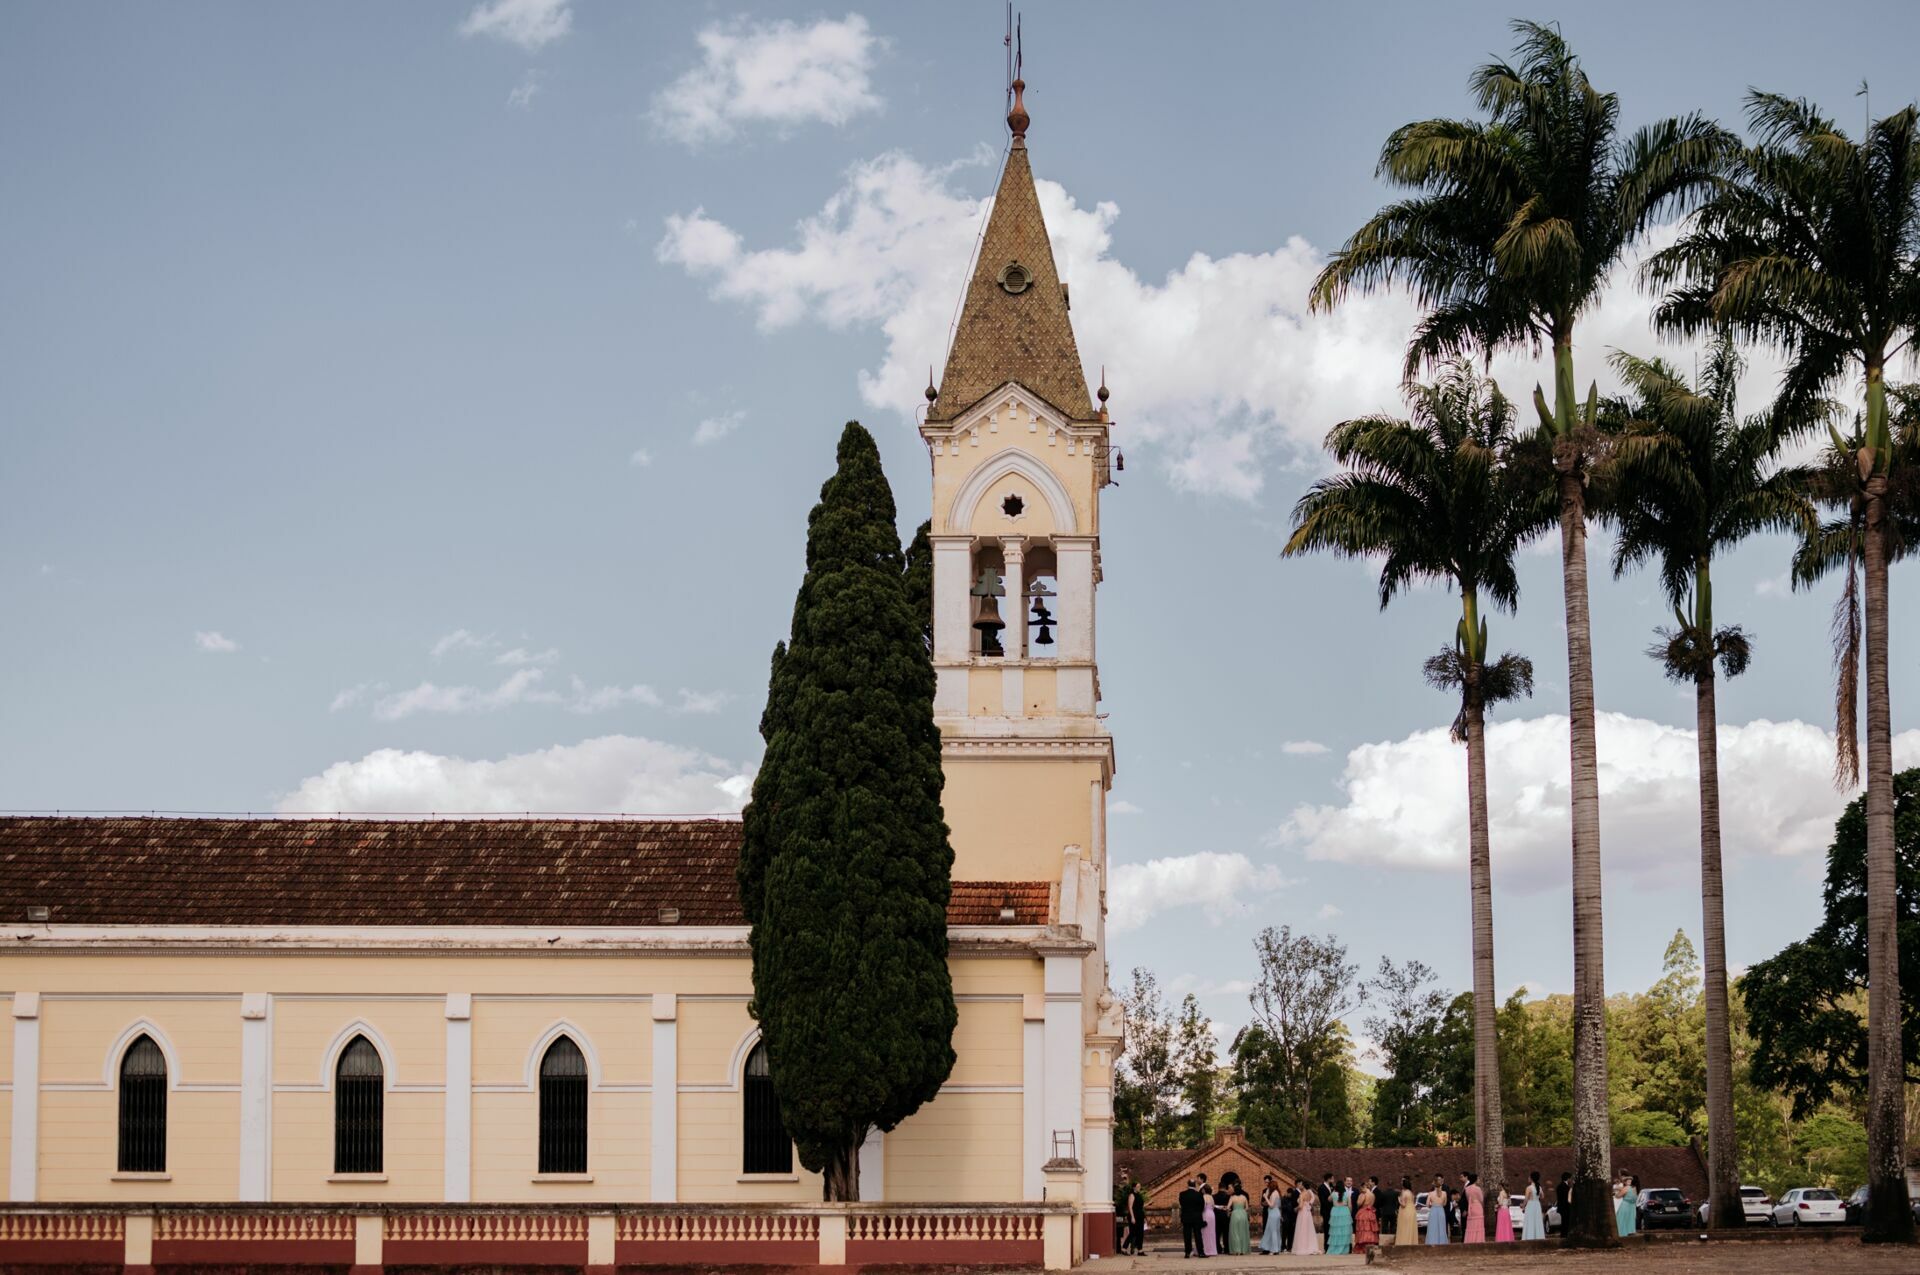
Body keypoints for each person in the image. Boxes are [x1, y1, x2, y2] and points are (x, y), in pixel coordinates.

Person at [1179, 1177, 1206, 1259]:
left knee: (1187, 1235)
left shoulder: (1182, 1194)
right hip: (1197, 1217)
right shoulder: (1199, 1195)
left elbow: (1182, 1204)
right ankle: (1201, 1252)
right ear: (1195, 1185)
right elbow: (1202, 1206)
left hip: (1186, 1217)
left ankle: (1187, 1252)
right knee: (1198, 1235)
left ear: (1188, 1185)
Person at [1326, 1177, 1353, 1255]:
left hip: (1335, 1211)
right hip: (1345, 1211)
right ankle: (1344, 1249)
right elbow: (1350, 1205)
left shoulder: (1334, 1194)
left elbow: (1328, 1199)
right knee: (1345, 1231)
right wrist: (1349, 1213)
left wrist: (1333, 1190)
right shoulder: (1347, 1194)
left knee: (1335, 1231)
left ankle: (1334, 1249)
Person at [1294, 1181, 1321, 1255]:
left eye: (1300, 1185)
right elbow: (1312, 1200)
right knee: (1308, 1229)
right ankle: (1310, 1246)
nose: (1299, 1186)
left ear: (1303, 1186)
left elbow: (1300, 1206)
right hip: (1308, 1212)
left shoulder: (1302, 1194)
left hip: (1302, 1212)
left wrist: (1295, 1209)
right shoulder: (1309, 1193)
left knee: (1302, 1229)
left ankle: (1302, 1247)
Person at [1259, 1176, 1285, 1254]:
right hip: (1275, 1212)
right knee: (1275, 1231)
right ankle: (1274, 1248)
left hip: (1273, 1213)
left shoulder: (1274, 1193)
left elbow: (1271, 1205)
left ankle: (1274, 1249)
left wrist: (1265, 1197)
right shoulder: (1277, 1193)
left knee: (1273, 1231)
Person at [1355, 1178, 1379, 1253]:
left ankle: (1363, 1247)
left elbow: (1359, 1203)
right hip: (1371, 1213)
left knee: (1363, 1229)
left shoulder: (1363, 1194)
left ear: (1363, 1187)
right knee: (1370, 1230)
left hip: (1363, 1212)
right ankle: (1370, 1245)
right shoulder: (1372, 1194)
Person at [1228, 1181, 1252, 1256]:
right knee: (1243, 1232)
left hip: (1235, 1214)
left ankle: (1236, 1250)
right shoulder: (1244, 1197)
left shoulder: (1232, 1197)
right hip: (1243, 1214)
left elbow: (1228, 1207)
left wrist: (1230, 1211)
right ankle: (1242, 1250)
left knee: (1235, 1233)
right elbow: (1247, 1208)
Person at [1522, 1171, 1547, 1241]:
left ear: (1532, 1178)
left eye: (1529, 1177)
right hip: (1537, 1205)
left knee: (1530, 1221)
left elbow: (1526, 1198)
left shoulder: (1529, 1188)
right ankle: (1538, 1237)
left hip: (1531, 1205)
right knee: (1537, 1221)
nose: (1528, 1178)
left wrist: (1523, 1206)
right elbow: (1542, 1197)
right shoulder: (1539, 1187)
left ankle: (1529, 1237)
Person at [1462, 1171, 1486, 1243]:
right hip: (1477, 1206)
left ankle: (1470, 1240)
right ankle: (1478, 1240)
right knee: (1478, 1224)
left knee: (1471, 1225)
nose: (1479, 1180)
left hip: (1470, 1208)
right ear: (1475, 1179)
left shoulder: (1466, 1189)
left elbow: (1467, 1198)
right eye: (1478, 1178)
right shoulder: (1477, 1188)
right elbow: (1481, 1199)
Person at [1396, 1177, 1419, 1248]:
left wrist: (1399, 1199)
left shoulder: (1404, 1192)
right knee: (1410, 1228)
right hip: (1412, 1211)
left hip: (1405, 1211)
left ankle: (1404, 1243)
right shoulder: (1411, 1193)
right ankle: (1411, 1242)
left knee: (1404, 1228)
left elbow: (1403, 1205)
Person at [1426, 1180, 1450, 1245]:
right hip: (1441, 1210)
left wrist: (1432, 1205)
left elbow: (1427, 1204)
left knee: (1433, 1228)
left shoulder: (1431, 1193)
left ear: (1434, 1185)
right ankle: (1442, 1243)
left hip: (1433, 1211)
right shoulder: (1444, 1193)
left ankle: (1432, 1242)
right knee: (1442, 1227)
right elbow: (1445, 1204)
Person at [1127, 1180, 1148, 1255]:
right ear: (1134, 1187)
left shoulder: (1139, 1195)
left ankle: (1140, 1250)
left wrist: (1144, 1217)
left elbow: (1140, 1206)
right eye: (1138, 1186)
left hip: (1140, 1216)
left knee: (1140, 1233)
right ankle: (1124, 1247)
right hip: (1134, 1216)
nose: (1139, 1188)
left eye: (1140, 1186)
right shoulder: (1132, 1195)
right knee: (1133, 1233)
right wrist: (1132, 1217)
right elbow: (1130, 1207)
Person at [1280, 1183, 1299, 1253]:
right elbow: (1282, 1208)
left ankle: (1289, 1246)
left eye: (1291, 1194)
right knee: (1284, 1233)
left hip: (1291, 1218)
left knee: (1291, 1233)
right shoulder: (1283, 1199)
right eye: (1289, 1194)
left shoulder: (1293, 1199)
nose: (1290, 1195)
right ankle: (1283, 1246)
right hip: (1285, 1218)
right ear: (1287, 1193)